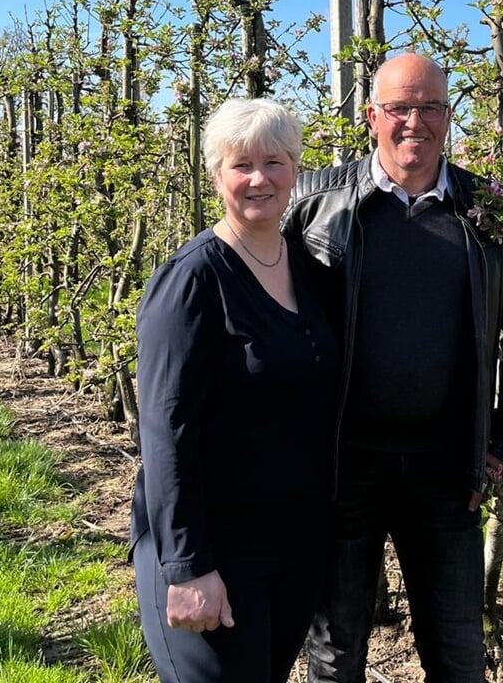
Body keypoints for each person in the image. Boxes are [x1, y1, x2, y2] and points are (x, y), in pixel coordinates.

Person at [286, 52, 503, 682]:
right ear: (372, 116)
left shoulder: (489, 214)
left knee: (457, 653)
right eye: (400, 108)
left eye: (429, 106)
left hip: (444, 469)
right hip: (342, 465)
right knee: (334, 649)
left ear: (448, 115)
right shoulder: (313, 203)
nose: (415, 122)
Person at [129, 97, 338, 683]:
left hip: (292, 546)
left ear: (295, 169)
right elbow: (166, 430)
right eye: (239, 164)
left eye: (273, 161)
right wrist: (188, 566)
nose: (258, 179)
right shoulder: (192, 279)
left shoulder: (311, 272)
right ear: (216, 174)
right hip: (212, 546)